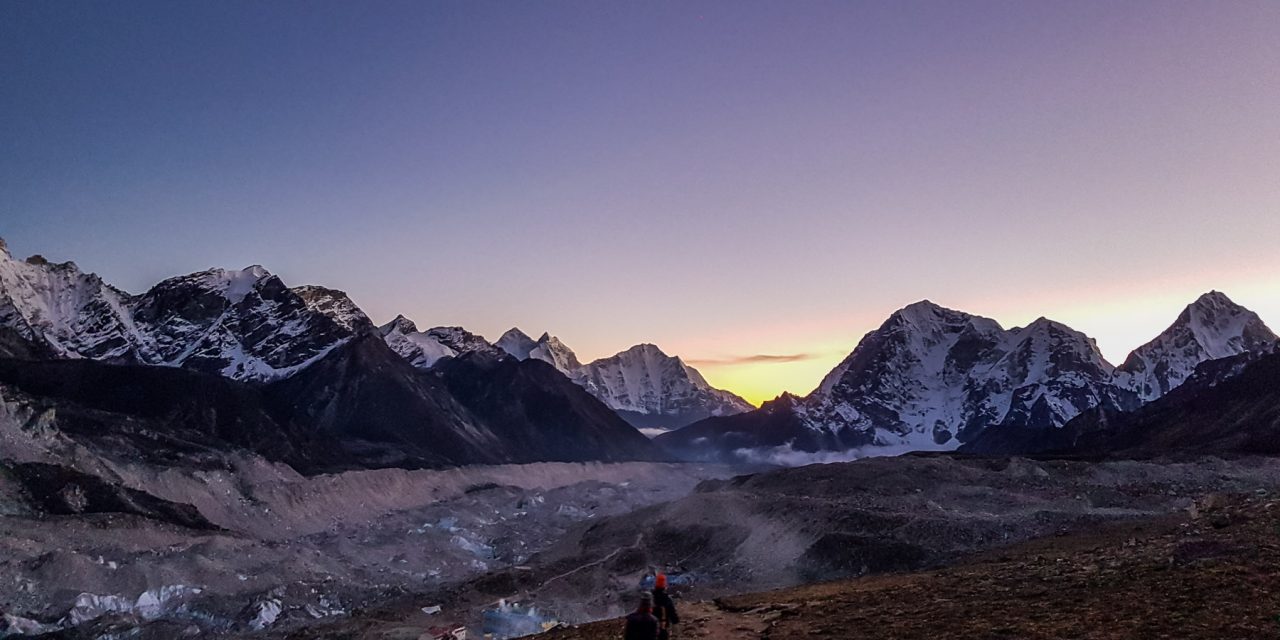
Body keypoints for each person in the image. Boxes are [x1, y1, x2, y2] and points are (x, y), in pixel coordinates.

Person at [652, 574, 680, 640]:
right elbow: (672, 612)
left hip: (650, 627)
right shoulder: (666, 599)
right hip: (663, 626)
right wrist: (675, 622)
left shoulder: (651, 597)